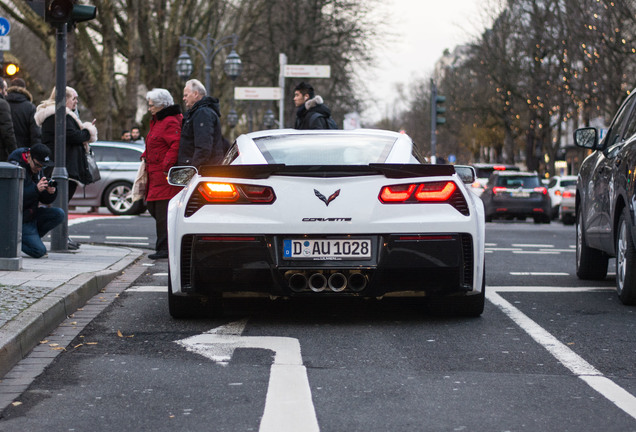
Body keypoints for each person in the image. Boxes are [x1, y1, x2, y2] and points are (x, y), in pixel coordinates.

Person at [34, 86, 97, 250]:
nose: (76, 101)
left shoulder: (61, 115)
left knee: (60, 204)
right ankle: (57, 237)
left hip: (64, 165)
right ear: (64, 99)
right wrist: (88, 130)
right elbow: (73, 136)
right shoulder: (58, 115)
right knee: (59, 205)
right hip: (63, 166)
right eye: (73, 98)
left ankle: (62, 237)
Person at [143, 88, 182, 260]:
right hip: (156, 174)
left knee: (162, 213)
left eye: (152, 106)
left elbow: (176, 143)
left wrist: (166, 165)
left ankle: (164, 249)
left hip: (163, 176)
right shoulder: (159, 121)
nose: (149, 108)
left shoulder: (169, 121)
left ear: (161, 106)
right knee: (155, 209)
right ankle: (164, 247)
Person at [8, 144, 65, 258]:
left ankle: (30, 238)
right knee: (39, 252)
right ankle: (9, 239)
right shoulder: (16, 167)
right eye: (38, 165)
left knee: (58, 214)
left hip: (31, 215)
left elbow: (43, 199)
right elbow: (13, 198)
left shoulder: (37, 168)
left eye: (43, 166)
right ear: (29, 157)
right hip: (19, 218)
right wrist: (35, 189)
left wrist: (50, 192)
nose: (39, 169)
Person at [177, 79, 223, 168]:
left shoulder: (202, 113)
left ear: (195, 94)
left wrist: (192, 170)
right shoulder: (200, 112)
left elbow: (203, 147)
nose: (184, 98)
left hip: (199, 171)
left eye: (186, 95)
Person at [7, 78, 41, 148]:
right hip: (24, 151)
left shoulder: (4, 104)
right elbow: (35, 134)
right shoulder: (30, 107)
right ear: (24, 89)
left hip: (5, 150)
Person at [0, 77, 17, 161]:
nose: (6, 94)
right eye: (5, 90)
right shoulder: (2, 104)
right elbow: (7, 131)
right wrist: (14, 152)